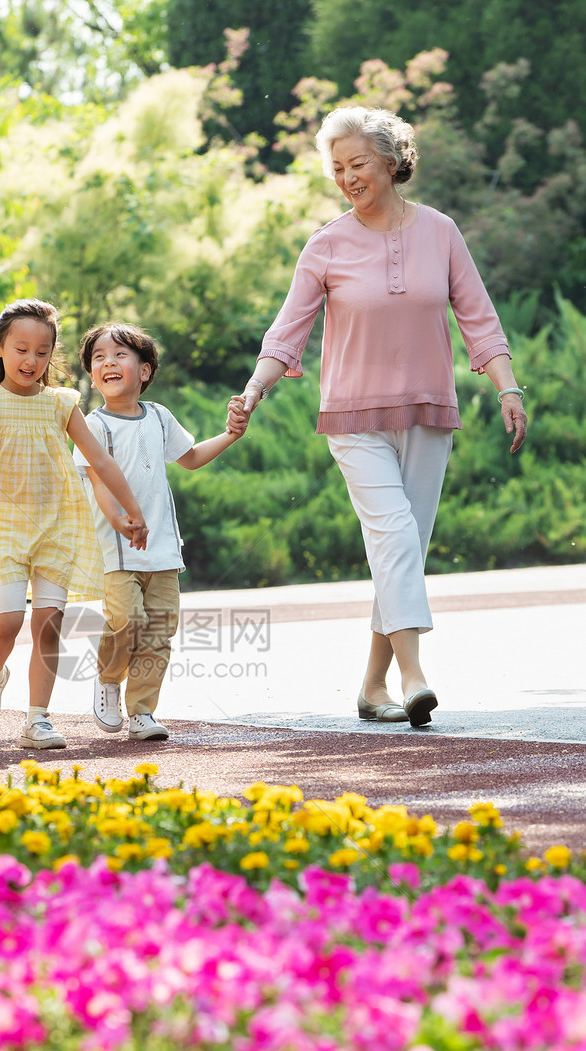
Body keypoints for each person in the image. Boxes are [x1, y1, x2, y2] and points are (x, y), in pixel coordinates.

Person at [227, 105, 527, 728]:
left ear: (391, 163)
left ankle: (370, 685)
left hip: (428, 412)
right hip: (353, 418)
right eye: (337, 168)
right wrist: (254, 390)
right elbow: (289, 331)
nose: (347, 177)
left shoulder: (440, 231)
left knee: (403, 551)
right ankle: (413, 675)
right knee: (394, 536)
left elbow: (478, 316)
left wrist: (507, 389)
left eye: (357, 163)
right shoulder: (327, 244)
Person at [0, 299, 148, 750]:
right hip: (3, 526)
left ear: (51, 355)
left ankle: (37, 719)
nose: (31, 360)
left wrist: (130, 510)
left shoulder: (62, 403)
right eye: (21, 349)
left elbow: (100, 459)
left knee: (49, 623)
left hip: (57, 524)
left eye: (42, 352)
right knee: (6, 622)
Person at [75, 322, 245, 741]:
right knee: (128, 620)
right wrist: (120, 522)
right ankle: (108, 676)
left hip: (165, 551)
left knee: (158, 631)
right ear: (93, 376)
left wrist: (229, 435)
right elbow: (98, 483)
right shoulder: (91, 426)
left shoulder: (160, 416)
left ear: (145, 370)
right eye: (99, 357)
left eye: (119, 355)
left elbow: (189, 457)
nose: (108, 363)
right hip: (117, 549)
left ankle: (142, 712)